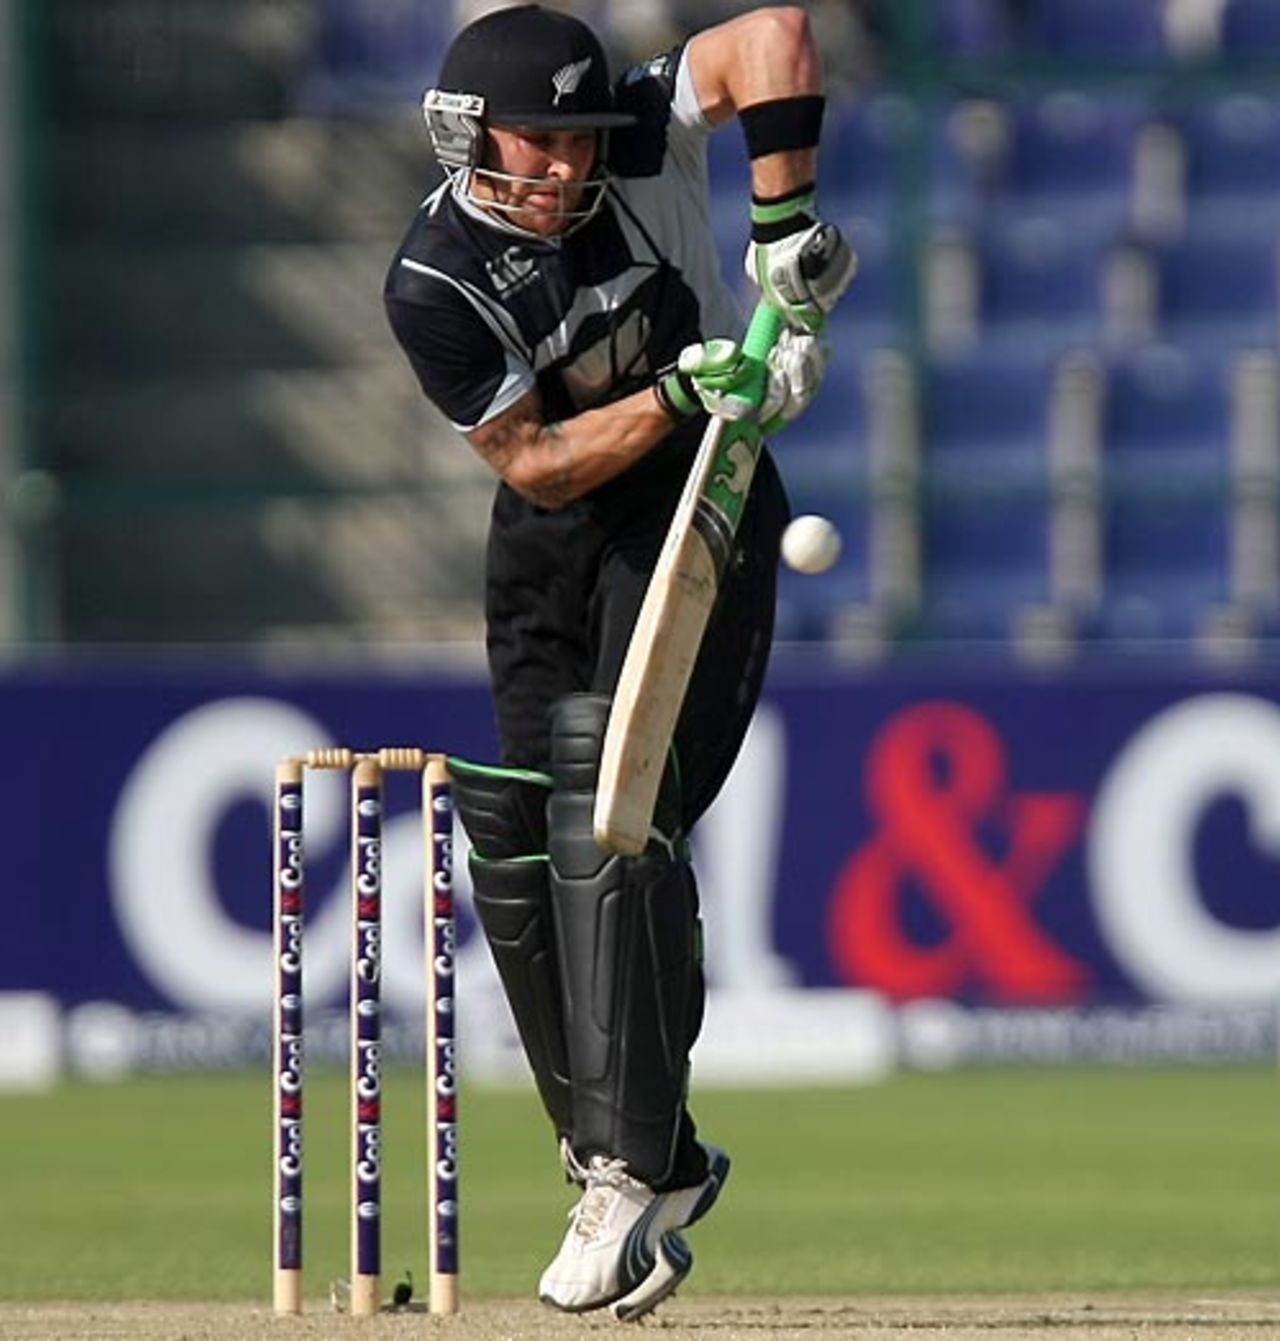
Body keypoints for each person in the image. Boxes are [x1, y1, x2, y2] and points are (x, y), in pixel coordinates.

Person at [384, 2, 854, 1319]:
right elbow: (532, 458)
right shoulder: (435, 280)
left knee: (619, 813)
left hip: (701, 501)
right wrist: (673, 393)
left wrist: (780, 238)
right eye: (536, 145)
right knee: (520, 830)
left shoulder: (644, 143)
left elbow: (775, 35)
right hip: (552, 526)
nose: (565, 170)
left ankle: (632, 1172)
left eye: (582, 145)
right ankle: (635, 1151)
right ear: (470, 138)